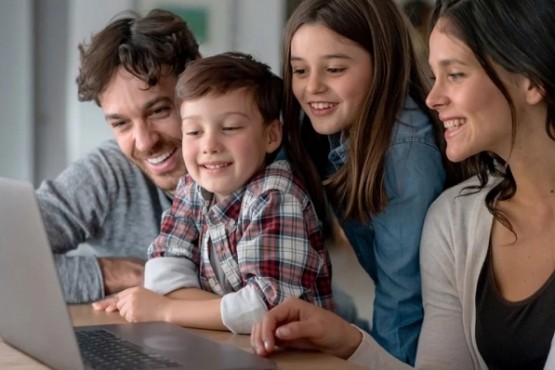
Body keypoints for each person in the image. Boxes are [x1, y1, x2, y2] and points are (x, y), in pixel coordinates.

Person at [252, 0, 555, 369]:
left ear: (533, 80)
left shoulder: (407, 150)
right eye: (300, 70)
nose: (432, 98)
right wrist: (348, 340)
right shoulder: (457, 217)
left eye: (455, 74)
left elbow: (403, 305)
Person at [275, 0, 453, 364]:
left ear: (382, 64)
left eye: (335, 69)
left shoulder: (405, 150)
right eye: (299, 70)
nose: (312, 88)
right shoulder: (325, 123)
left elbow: (405, 298)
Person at [112, 52, 335, 334]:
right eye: (193, 131)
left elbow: (267, 312)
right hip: (229, 345)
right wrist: (228, 311)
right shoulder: (192, 187)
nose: (209, 145)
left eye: (229, 127)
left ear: (271, 136)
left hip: (299, 358)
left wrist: (166, 310)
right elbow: (163, 272)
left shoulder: (276, 196)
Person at [36, 9, 200, 303]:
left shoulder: (261, 168)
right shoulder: (109, 172)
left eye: (159, 111)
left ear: (197, 90)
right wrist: (121, 273)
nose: (145, 142)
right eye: (121, 123)